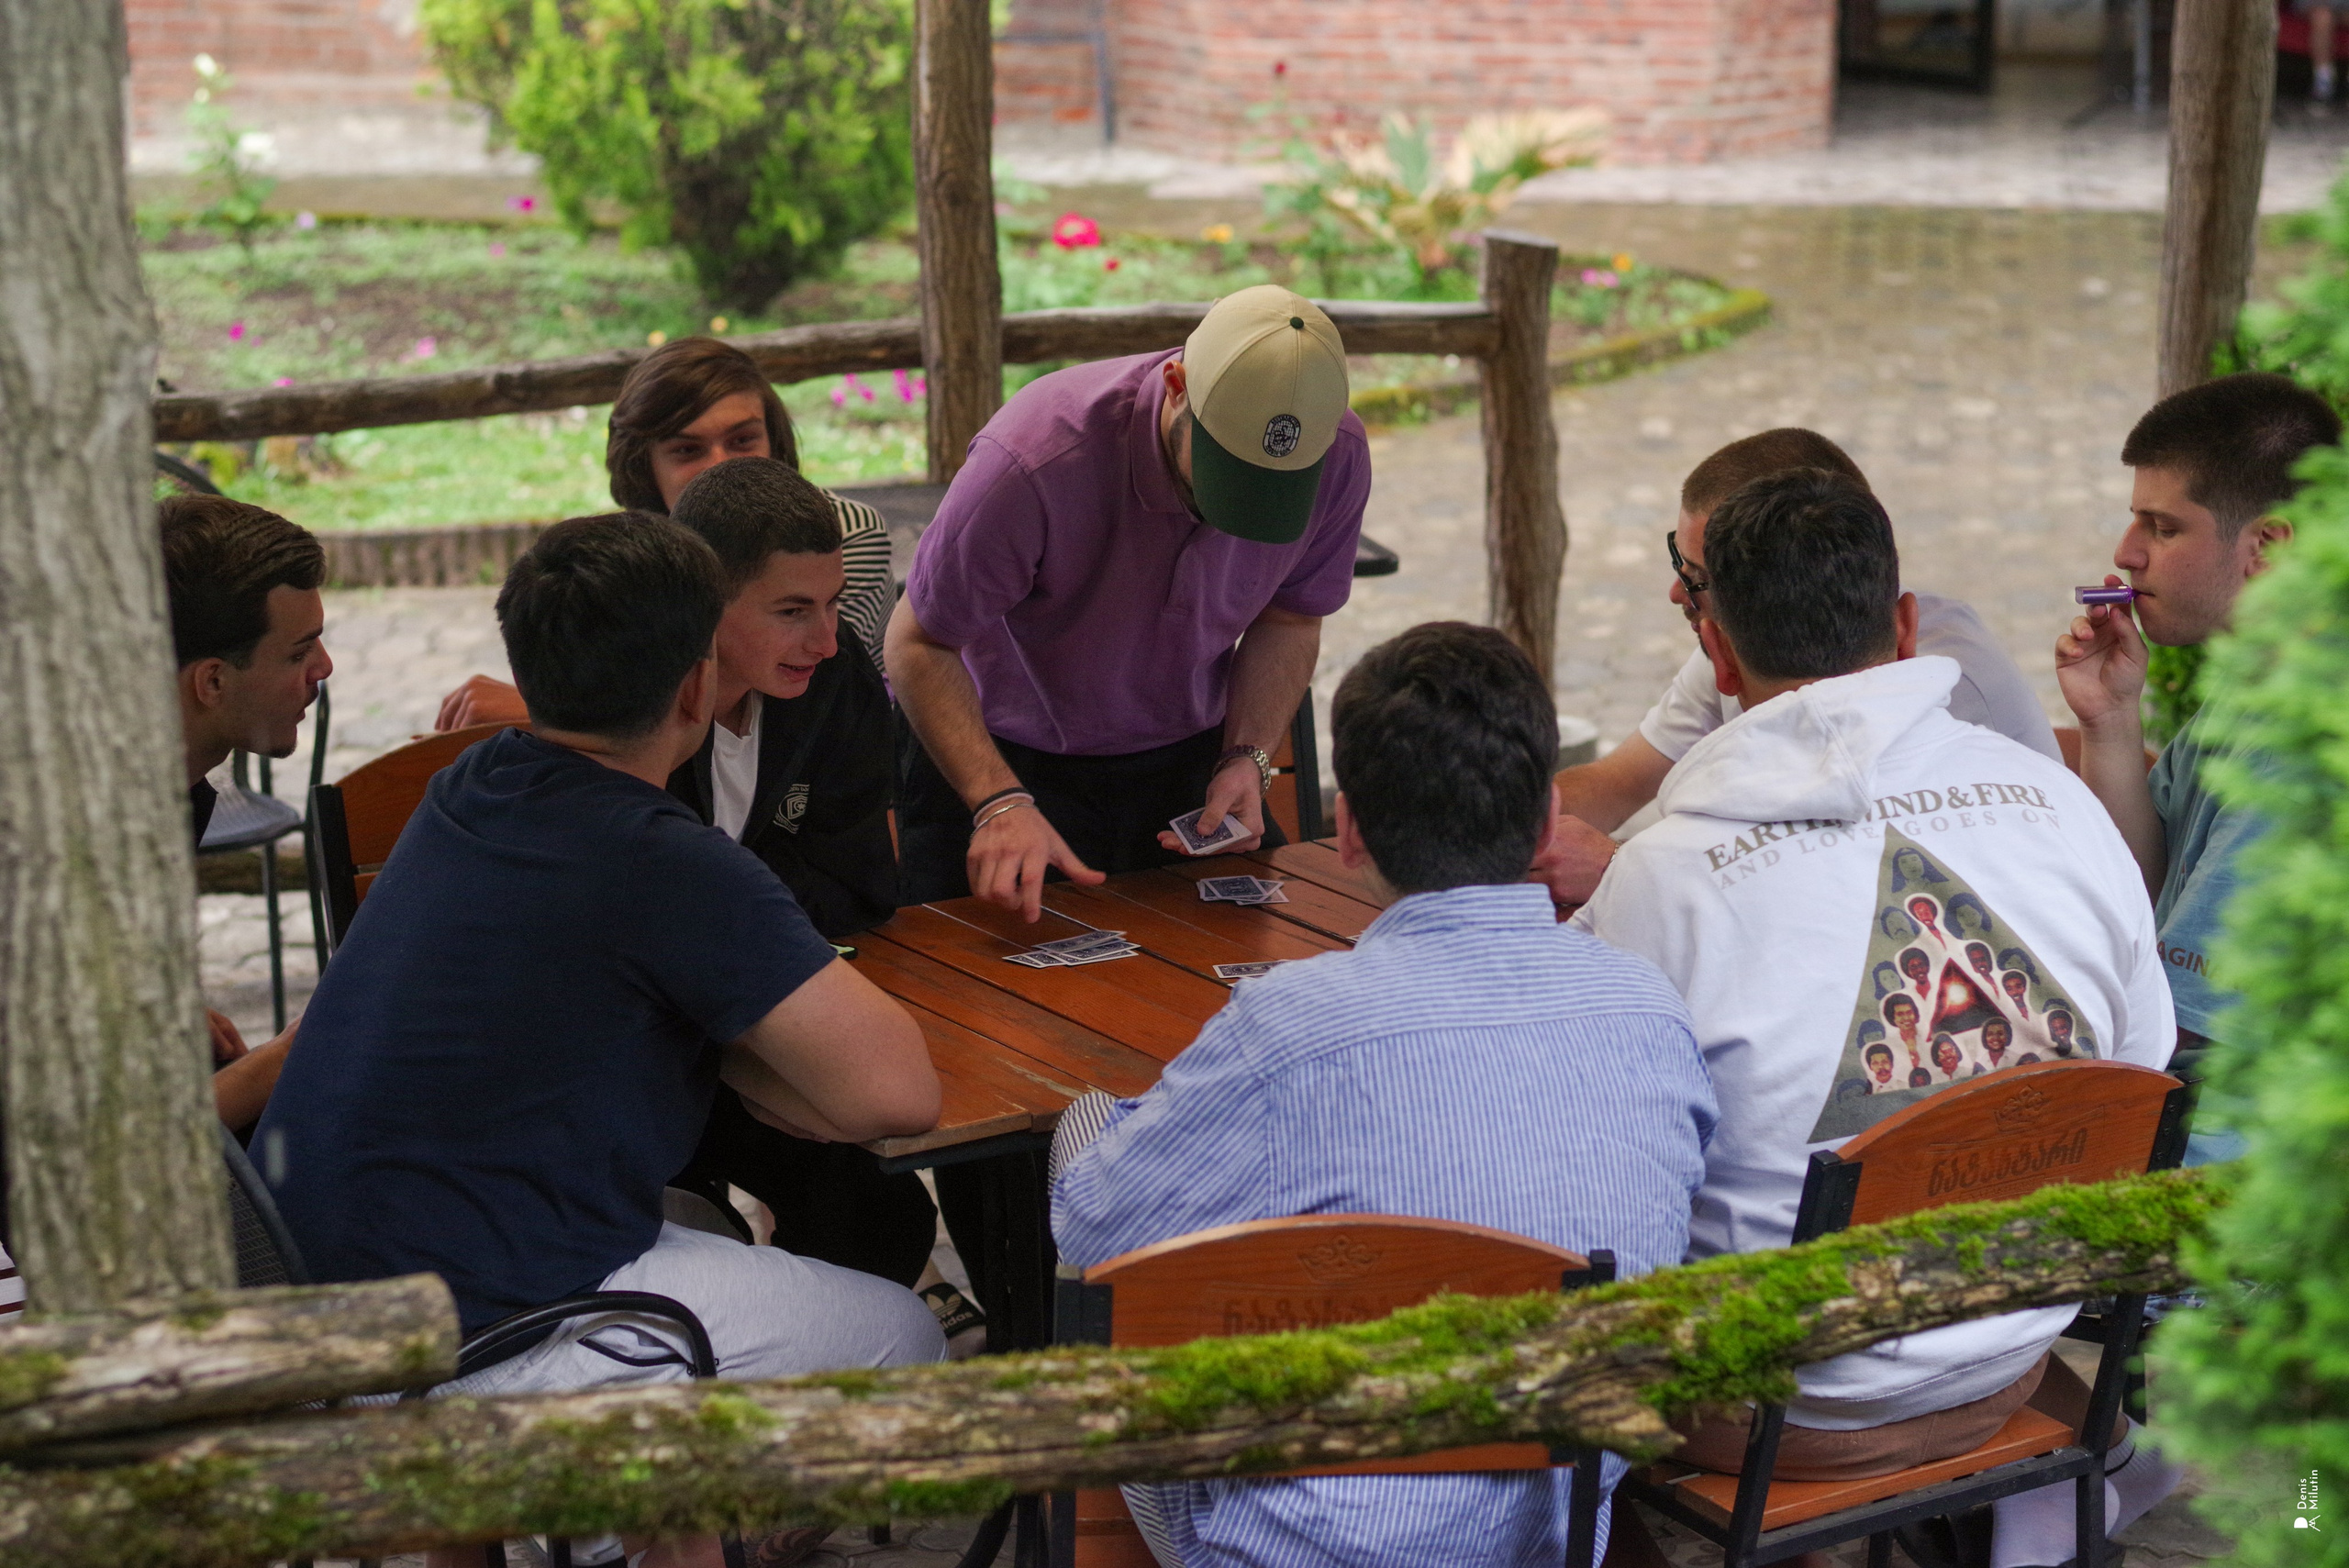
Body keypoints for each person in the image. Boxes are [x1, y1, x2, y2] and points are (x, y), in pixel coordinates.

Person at [257, 518, 944, 1538]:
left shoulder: (470, 784)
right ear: (691, 688)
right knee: (908, 1339)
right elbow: (898, 1095)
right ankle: (618, 1519)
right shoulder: (666, 859)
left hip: (330, 1294)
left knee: (704, 1245)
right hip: (480, 1340)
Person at [1571, 469, 2178, 1568]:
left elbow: (1593, 1181)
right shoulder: (2060, 802)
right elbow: (2142, 1077)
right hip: (2022, 1345)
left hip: (1778, 1414)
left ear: (1715, 649)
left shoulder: (1658, 880)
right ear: (1902, 626)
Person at [1051, 621, 1716, 1568]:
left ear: (1348, 826)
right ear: (1541, 827)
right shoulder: (1649, 1005)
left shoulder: (1290, 1025)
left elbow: (1091, 1231)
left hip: (1297, 1543)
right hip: (1553, 1525)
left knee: (1088, 1146)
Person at [887, 284, 1370, 917]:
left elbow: (1291, 615)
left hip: (1186, 756)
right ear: (1176, 385)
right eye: (1226, 478)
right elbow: (918, 642)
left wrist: (1247, 756)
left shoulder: (1338, 454)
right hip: (999, 753)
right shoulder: (1034, 459)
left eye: (1268, 492)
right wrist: (997, 800)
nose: (1232, 520)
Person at [1536, 428, 2060, 905]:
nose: (1676, 591)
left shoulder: (1950, 689)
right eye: (1680, 560)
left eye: (1698, 575)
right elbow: (1620, 779)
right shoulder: (1750, 639)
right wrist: (1492, 830)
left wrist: (1621, 870)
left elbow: (1836, 886)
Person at [2054, 373, 2343, 1162]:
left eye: (2164, 527)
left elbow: (2174, 1026)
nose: (2126, 553)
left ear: (2267, 545)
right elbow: (2147, 884)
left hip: (2229, 1193)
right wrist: (2110, 720)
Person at [436, 335, 895, 728]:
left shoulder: (845, 534)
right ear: (645, 468)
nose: (721, 466)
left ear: (776, 441)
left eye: (742, 440)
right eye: (687, 449)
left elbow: (802, 700)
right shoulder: (630, 561)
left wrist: (548, 713)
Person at [160, 494, 334, 1130]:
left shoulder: (173, 796)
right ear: (211, 682)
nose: (325, 668)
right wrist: (289, 1057)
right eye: (298, 652)